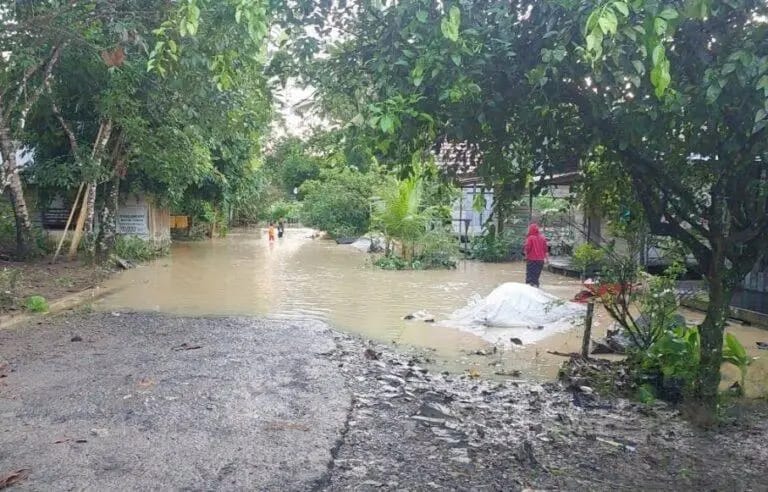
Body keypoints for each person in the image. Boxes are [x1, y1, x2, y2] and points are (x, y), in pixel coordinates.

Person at [524, 223, 548, 288]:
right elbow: (545, 249)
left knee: (530, 278)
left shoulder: (530, 238)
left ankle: (529, 292)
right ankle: (536, 288)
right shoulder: (543, 238)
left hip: (532, 260)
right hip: (540, 261)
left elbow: (527, 248)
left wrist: (526, 255)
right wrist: (547, 259)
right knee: (536, 277)